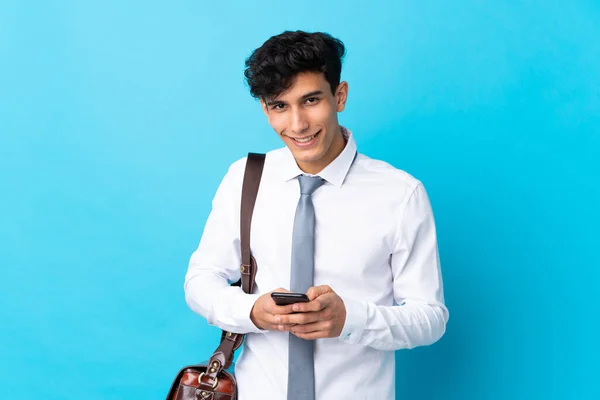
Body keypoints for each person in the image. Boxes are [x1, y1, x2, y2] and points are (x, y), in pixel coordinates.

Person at [184, 30, 449, 400]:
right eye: (280, 106)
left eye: (310, 100)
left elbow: (430, 318)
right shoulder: (245, 178)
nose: (297, 125)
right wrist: (252, 312)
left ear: (339, 96)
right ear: (265, 108)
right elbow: (201, 280)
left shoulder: (400, 194)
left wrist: (349, 320)